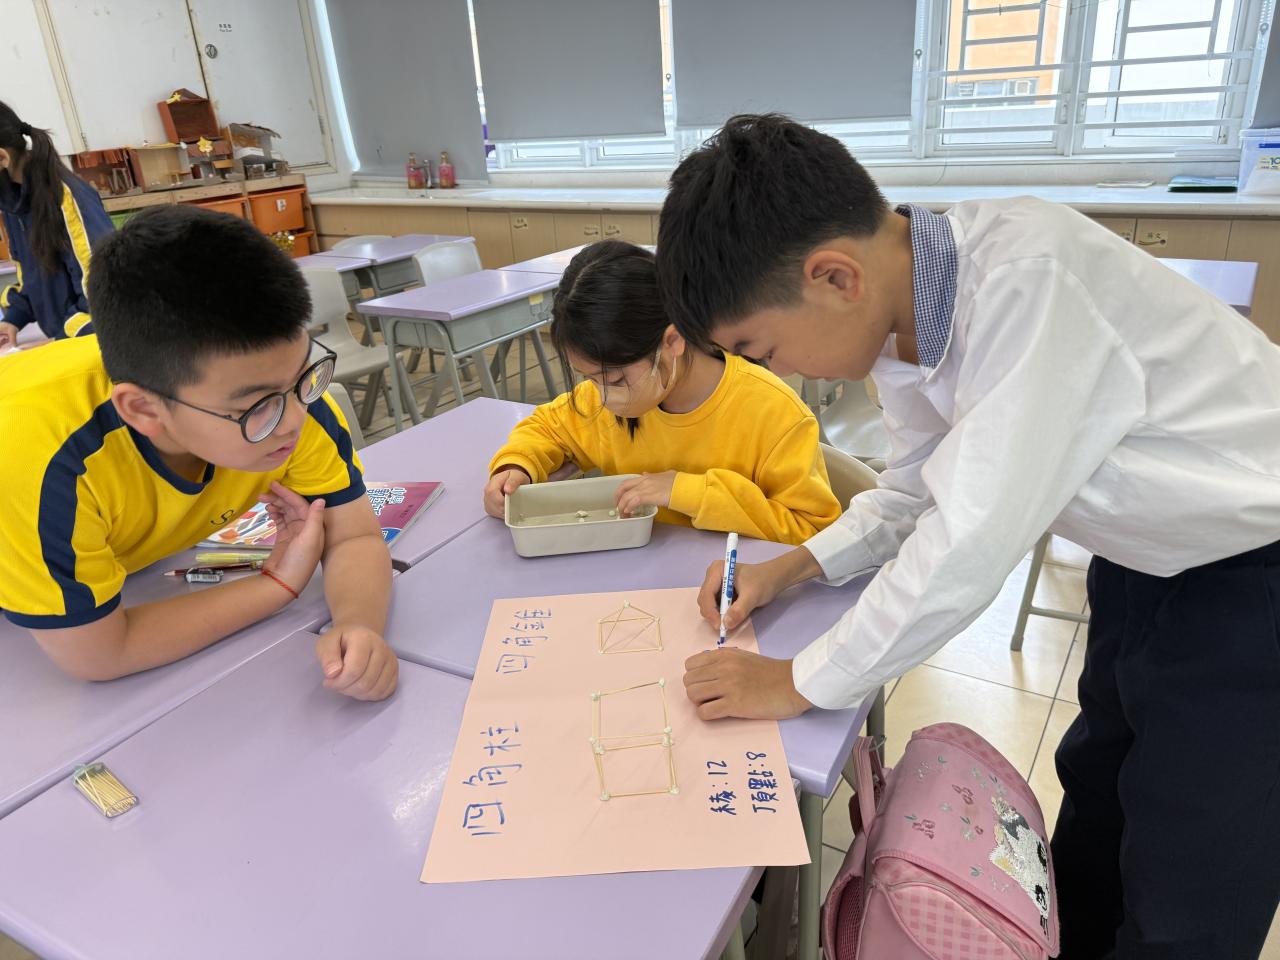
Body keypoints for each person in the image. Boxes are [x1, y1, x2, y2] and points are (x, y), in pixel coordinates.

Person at [659, 114, 1280, 958]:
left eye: (762, 348)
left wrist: (799, 680)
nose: (781, 372)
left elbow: (966, 547)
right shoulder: (905, 315)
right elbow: (915, 491)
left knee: (1191, 864)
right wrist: (792, 569)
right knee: (1100, 788)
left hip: (1254, 575)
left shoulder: (1031, 283)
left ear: (834, 276)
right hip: (1147, 557)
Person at [0, 204, 397, 701]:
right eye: (256, 406)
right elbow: (98, 653)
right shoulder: (40, 461)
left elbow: (354, 535)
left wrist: (358, 625)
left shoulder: (281, 396)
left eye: (304, 376)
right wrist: (274, 585)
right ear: (144, 410)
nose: (296, 418)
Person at [484, 240, 840, 545]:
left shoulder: (771, 412)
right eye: (590, 379)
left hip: (734, 585)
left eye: (616, 380)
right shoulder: (606, 401)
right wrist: (516, 467)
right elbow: (548, 428)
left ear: (672, 341)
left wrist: (685, 491)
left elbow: (812, 532)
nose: (604, 397)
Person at [0, 101, 113, 347]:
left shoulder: (67, 197)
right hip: (66, 341)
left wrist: (60, 340)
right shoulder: (13, 204)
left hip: (94, 342)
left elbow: (102, 288)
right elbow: (30, 276)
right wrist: (13, 319)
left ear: (2, 157)